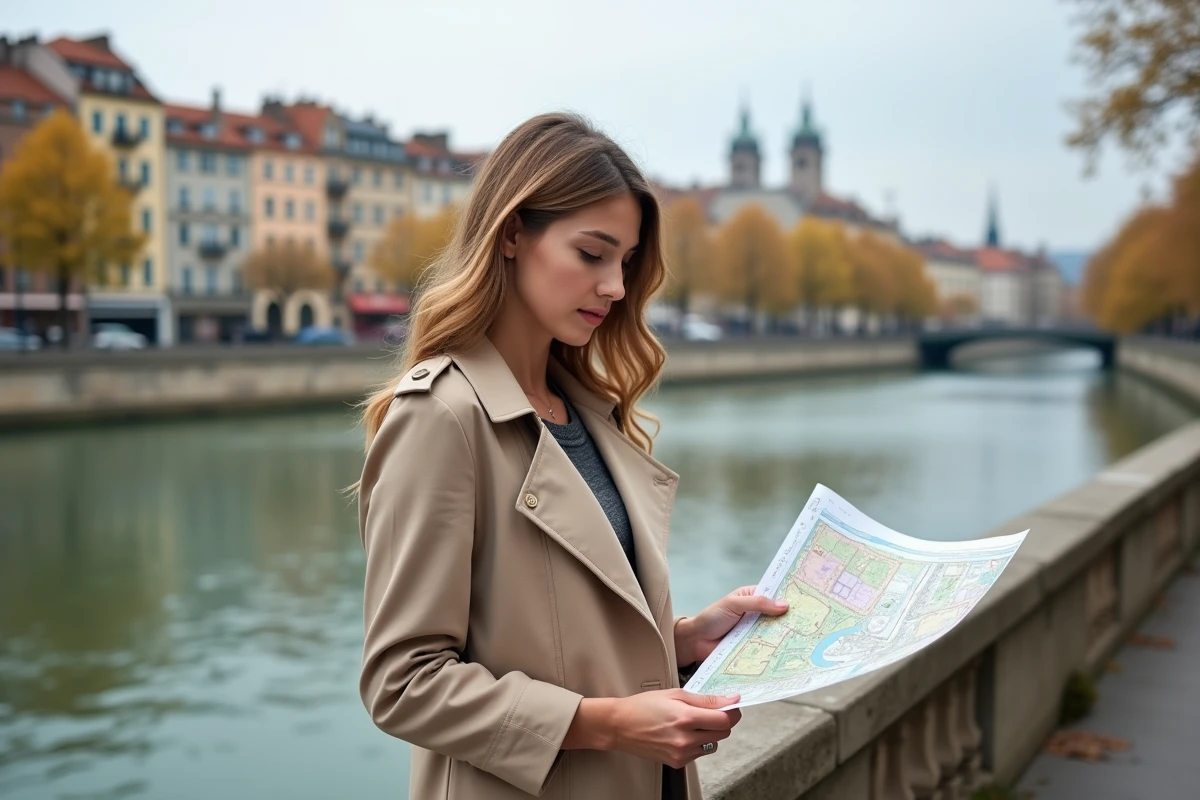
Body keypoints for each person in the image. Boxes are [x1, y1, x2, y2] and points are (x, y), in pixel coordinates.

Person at [355, 112, 788, 800]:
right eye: (592, 254)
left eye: (625, 263)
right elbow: (402, 684)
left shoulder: (590, 410)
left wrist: (680, 640)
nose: (616, 287)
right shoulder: (440, 416)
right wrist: (608, 724)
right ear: (510, 235)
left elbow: (558, 630)